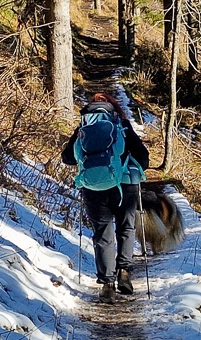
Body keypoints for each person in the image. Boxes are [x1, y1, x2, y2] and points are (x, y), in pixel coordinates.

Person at [62, 93, 149, 300]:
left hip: (93, 187)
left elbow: (67, 158)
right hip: (125, 185)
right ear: (114, 109)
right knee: (126, 227)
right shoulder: (122, 125)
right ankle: (124, 272)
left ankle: (107, 283)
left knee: (103, 233)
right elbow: (143, 157)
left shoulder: (84, 128)